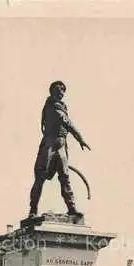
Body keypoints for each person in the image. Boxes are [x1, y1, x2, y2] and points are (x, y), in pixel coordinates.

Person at [29, 81, 91, 218]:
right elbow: (66, 122)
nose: (61, 93)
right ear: (52, 92)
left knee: (65, 177)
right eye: (58, 90)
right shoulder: (51, 106)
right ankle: (33, 210)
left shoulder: (63, 107)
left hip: (61, 145)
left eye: (63, 91)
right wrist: (80, 138)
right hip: (49, 144)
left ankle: (72, 208)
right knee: (40, 177)